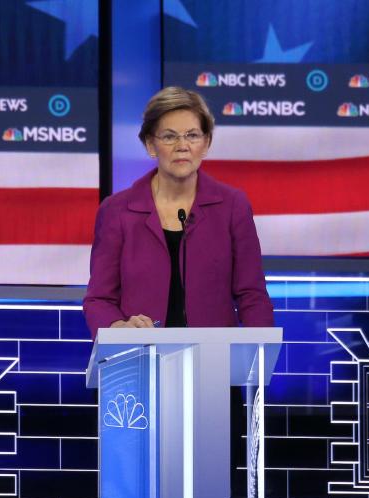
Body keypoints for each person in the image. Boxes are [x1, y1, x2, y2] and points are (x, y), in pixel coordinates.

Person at [83, 86, 273, 335]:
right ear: (151, 144)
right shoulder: (117, 211)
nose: (182, 146)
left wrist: (257, 358)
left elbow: (252, 295)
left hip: (213, 362)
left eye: (192, 135)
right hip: (140, 359)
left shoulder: (232, 206)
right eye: (170, 136)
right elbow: (99, 299)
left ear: (206, 144)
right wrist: (118, 327)